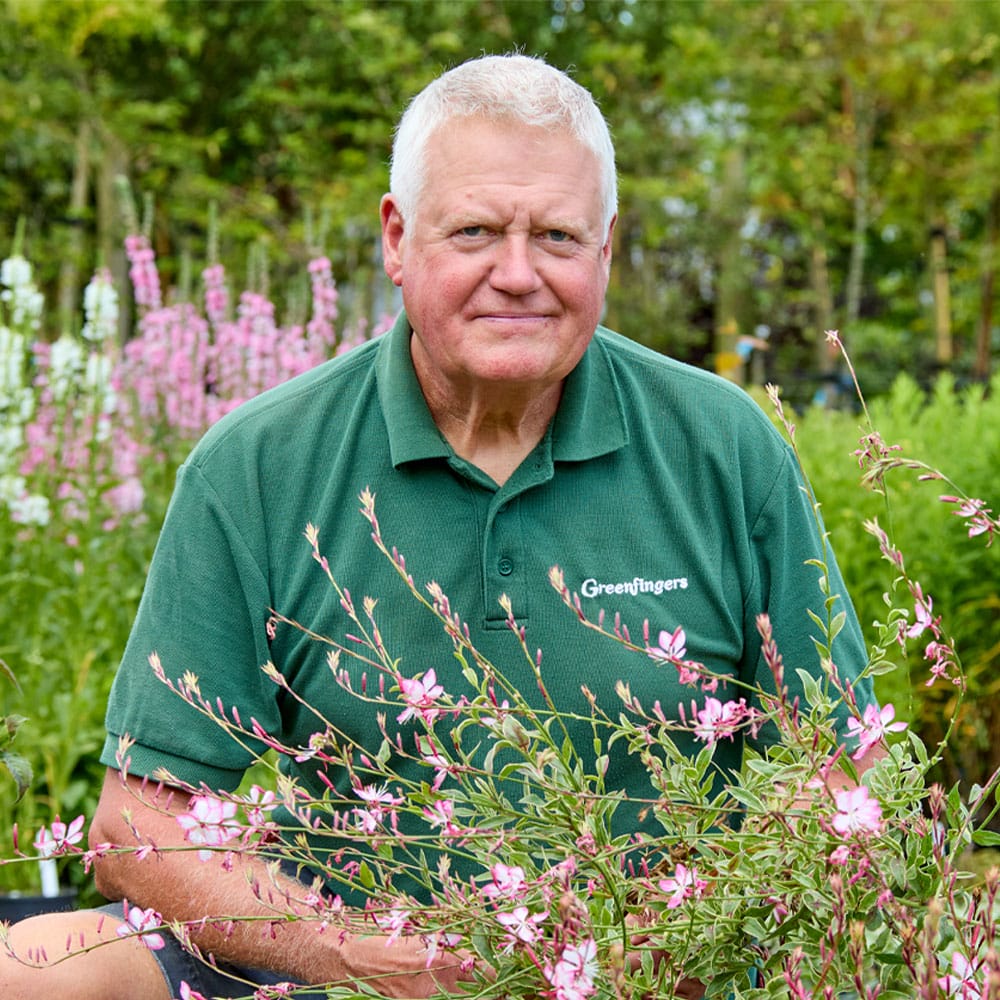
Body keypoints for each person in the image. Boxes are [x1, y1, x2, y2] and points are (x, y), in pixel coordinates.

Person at [1, 54, 880, 1000]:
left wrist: (690, 931)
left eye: (556, 236)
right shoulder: (259, 465)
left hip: (662, 974)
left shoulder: (722, 445)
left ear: (607, 249)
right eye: (474, 232)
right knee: (41, 971)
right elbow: (140, 829)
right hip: (342, 975)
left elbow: (843, 764)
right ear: (396, 237)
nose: (518, 274)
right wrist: (352, 953)